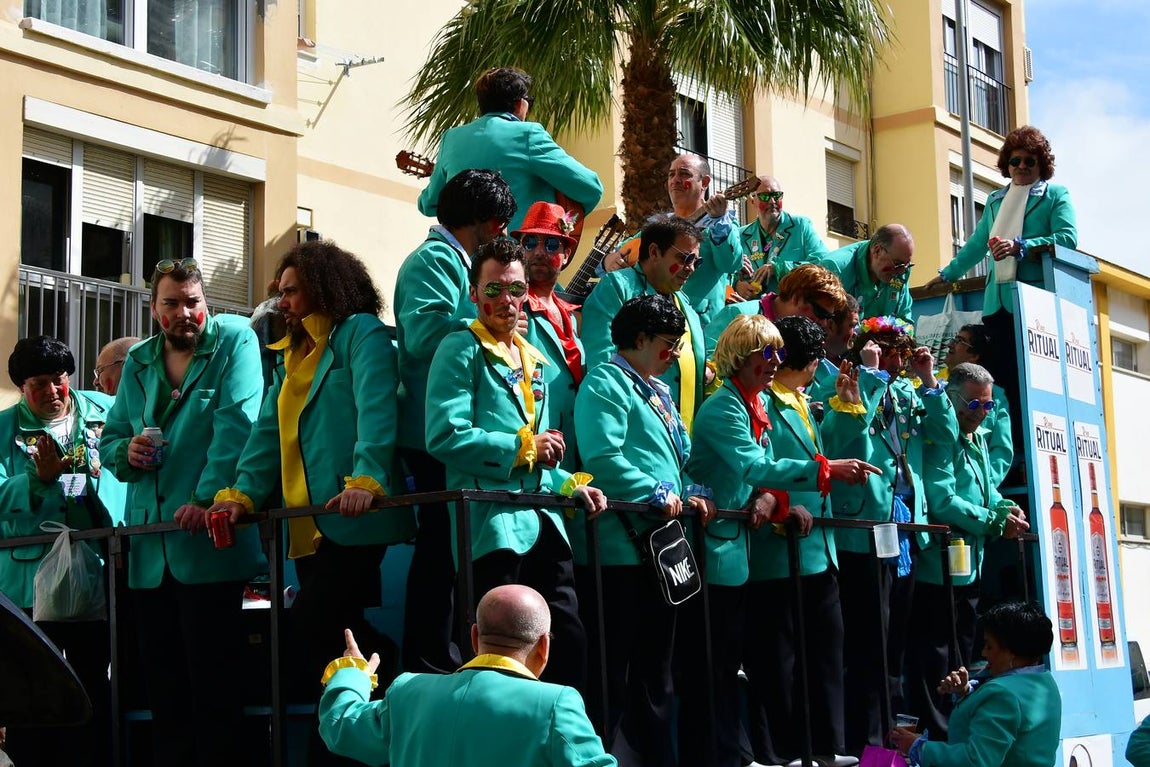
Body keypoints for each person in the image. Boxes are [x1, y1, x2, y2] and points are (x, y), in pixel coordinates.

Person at [205, 241, 416, 764]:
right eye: (280, 292)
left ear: (324, 287)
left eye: (292, 291)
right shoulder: (290, 353)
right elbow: (266, 433)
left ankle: (393, 677)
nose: (282, 302)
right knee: (328, 632)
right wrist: (241, 494)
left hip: (353, 513)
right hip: (306, 525)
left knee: (318, 622)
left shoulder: (361, 332)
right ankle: (347, 740)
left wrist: (367, 478)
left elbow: (376, 409)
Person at [682, 314, 874, 767]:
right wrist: (826, 469)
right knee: (715, 664)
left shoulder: (750, 405)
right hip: (712, 548)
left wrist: (780, 502)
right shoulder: (725, 406)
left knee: (727, 662)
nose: (775, 361)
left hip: (734, 550)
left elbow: (760, 481)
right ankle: (729, 756)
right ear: (739, 355)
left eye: (779, 354)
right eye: (766, 353)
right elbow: (754, 466)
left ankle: (743, 753)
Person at [99, 258, 265, 767]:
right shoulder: (139, 360)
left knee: (216, 686)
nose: (185, 313)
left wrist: (207, 496)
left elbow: (238, 426)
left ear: (206, 304)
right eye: (172, 303)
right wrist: (125, 452)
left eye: (193, 302)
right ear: (154, 309)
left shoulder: (235, 340)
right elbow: (111, 439)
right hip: (150, 550)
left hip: (208, 546)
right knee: (163, 689)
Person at [425, 238, 607, 691]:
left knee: (568, 640)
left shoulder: (532, 356)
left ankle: (563, 729)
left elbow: (541, 456)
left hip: (545, 521)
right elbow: (444, 435)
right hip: (492, 526)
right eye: (494, 289)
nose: (506, 299)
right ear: (473, 293)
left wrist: (570, 486)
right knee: (500, 654)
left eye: (516, 289)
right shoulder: (459, 347)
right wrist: (524, 448)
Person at [574, 294, 716, 767]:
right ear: (639, 339)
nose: (676, 353)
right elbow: (602, 457)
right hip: (620, 550)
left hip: (659, 550)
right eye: (668, 343)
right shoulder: (605, 381)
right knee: (615, 668)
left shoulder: (658, 390)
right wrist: (654, 491)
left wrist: (690, 491)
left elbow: (676, 460)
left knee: (657, 669)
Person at [396, 168, 517, 674]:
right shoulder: (433, 260)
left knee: (448, 552)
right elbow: (424, 334)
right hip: (432, 433)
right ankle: (430, 663)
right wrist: (487, 319)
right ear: (484, 221)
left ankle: (446, 656)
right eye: (501, 223)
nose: (503, 233)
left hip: (447, 430)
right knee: (439, 553)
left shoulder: (452, 261)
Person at [828, 316, 957, 754]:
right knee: (868, 644)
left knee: (894, 644)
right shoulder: (850, 381)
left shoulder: (907, 391)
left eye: (904, 350)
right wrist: (870, 374)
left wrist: (929, 379)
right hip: (865, 526)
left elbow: (946, 434)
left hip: (904, 528)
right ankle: (864, 742)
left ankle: (887, 744)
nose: (900, 359)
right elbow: (847, 436)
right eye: (890, 350)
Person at [318, 585, 615, 766]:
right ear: (544, 645)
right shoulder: (556, 704)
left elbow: (341, 726)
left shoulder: (407, 691)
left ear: (474, 637)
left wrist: (353, 673)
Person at [0, 336, 124, 767]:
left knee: (96, 680)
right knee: (34, 686)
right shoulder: (3, 430)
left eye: (59, 380)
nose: (53, 391)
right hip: (30, 583)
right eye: (39, 384)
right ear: (21, 388)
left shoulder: (106, 411)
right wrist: (37, 481)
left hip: (101, 571)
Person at [907, 363, 1030, 741]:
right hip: (938, 567)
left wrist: (1006, 509)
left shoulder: (978, 437)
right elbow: (943, 499)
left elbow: (986, 491)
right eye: (973, 404)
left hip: (970, 565)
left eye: (988, 406)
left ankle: (955, 728)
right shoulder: (941, 434)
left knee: (961, 652)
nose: (981, 413)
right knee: (935, 655)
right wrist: (993, 522)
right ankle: (934, 734)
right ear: (951, 397)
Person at [417, 66, 603, 231]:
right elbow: (591, 187)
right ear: (519, 103)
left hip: (464, 256)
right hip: (518, 254)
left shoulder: (451, 138)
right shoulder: (528, 134)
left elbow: (428, 204)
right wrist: (563, 224)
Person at [924, 126, 1077, 320]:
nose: (1022, 166)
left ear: (1041, 164)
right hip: (995, 301)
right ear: (1008, 164)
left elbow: (1067, 238)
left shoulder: (1055, 195)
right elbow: (978, 244)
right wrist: (948, 274)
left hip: (1034, 300)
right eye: (1015, 161)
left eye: (1029, 161)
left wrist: (1021, 246)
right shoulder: (995, 200)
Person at [889, 602, 1062, 767]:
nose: (984, 653)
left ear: (1011, 652)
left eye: (989, 646)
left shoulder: (1002, 694)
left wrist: (919, 747)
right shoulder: (1046, 682)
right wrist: (965, 691)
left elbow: (976, 761)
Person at [581, 214, 709, 432]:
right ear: (654, 252)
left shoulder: (685, 304)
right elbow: (600, 363)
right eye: (684, 258)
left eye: (696, 262)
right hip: (634, 433)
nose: (691, 268)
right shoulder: (616, 288)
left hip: (679, 440)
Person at [514, 201, 586, 469]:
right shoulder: (510, 306)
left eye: (552, 245)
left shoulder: (573, 315)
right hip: (532, 450)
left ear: (567, 254)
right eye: (530, 243)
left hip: (573, 448)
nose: (539, 252)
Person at [705, 263, 849, 359]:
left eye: (828, 317)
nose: (823, 323)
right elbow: (708, 361)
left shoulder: (805, 338)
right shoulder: (738, 314)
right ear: (797, 297)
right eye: (821, 313)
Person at [938, 325, 1013, 486]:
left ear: (974, 356)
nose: (950, 344)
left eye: (960, 341)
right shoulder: (933, 388)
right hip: (940, 478)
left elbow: (1001, 450)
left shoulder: (997, 397)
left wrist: (982, 486)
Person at [734, 175, 829, 298]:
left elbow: (823, 263)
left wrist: (780, 268)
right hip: (754, 309)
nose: (772, 201)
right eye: (765, 196)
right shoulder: (740, 235)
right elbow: (725, 273)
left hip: (793, 305)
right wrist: (737, 285)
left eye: (776, 195)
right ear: (753, 202)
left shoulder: (801, 226)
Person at [819, 224, 915, 323]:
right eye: (897, 264)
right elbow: (822, 323)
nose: (902, 271)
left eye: (907, 265)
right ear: (877, 251)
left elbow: (904, 319)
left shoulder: (902, 269)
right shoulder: (834, 269)